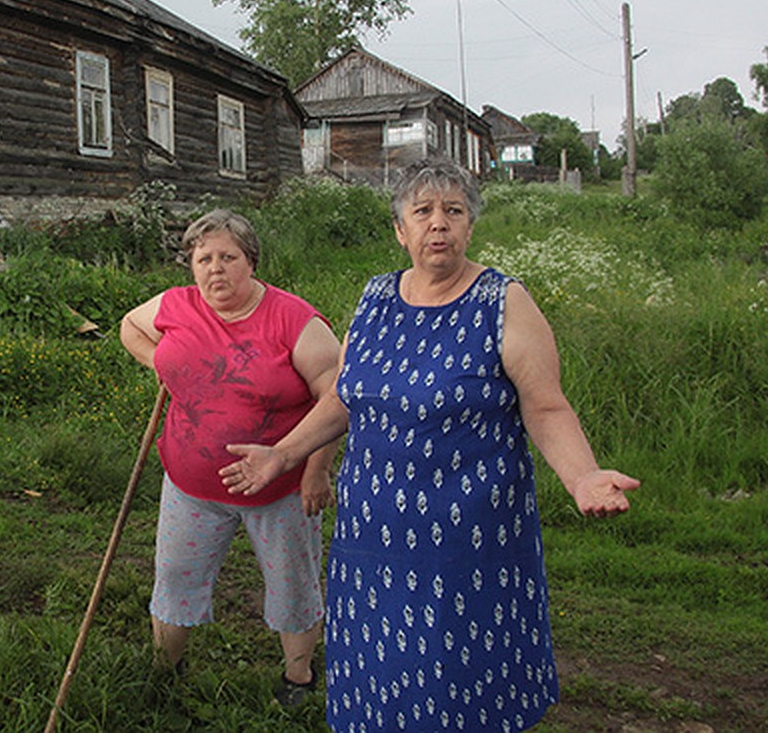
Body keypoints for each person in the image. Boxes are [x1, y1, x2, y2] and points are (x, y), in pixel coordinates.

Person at [220, 158, 640, 732]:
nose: (438, 223)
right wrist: (284, 454)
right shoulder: (375, 297)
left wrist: (582, 476)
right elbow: (348, 395)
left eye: (453, 211)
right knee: (379, 670)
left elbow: (545, 406)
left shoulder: (503, 302)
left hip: (468, 540)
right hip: (375, 535)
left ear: (470, 227)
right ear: (401, 230)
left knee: (459, 679)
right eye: (423, 212)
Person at [119, 208, 342, 707]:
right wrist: (164, 365)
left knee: (292, 584)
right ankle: (166, 671)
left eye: (228, 257)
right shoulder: (176, 306)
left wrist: (316, 468)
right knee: (175, 577)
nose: (215, 269)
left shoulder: (293, 320)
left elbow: (336, 395)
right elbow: (130, 326)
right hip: (189, 485)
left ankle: (298, 678)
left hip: (279, 489)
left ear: (251, 262)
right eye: (203, 259)